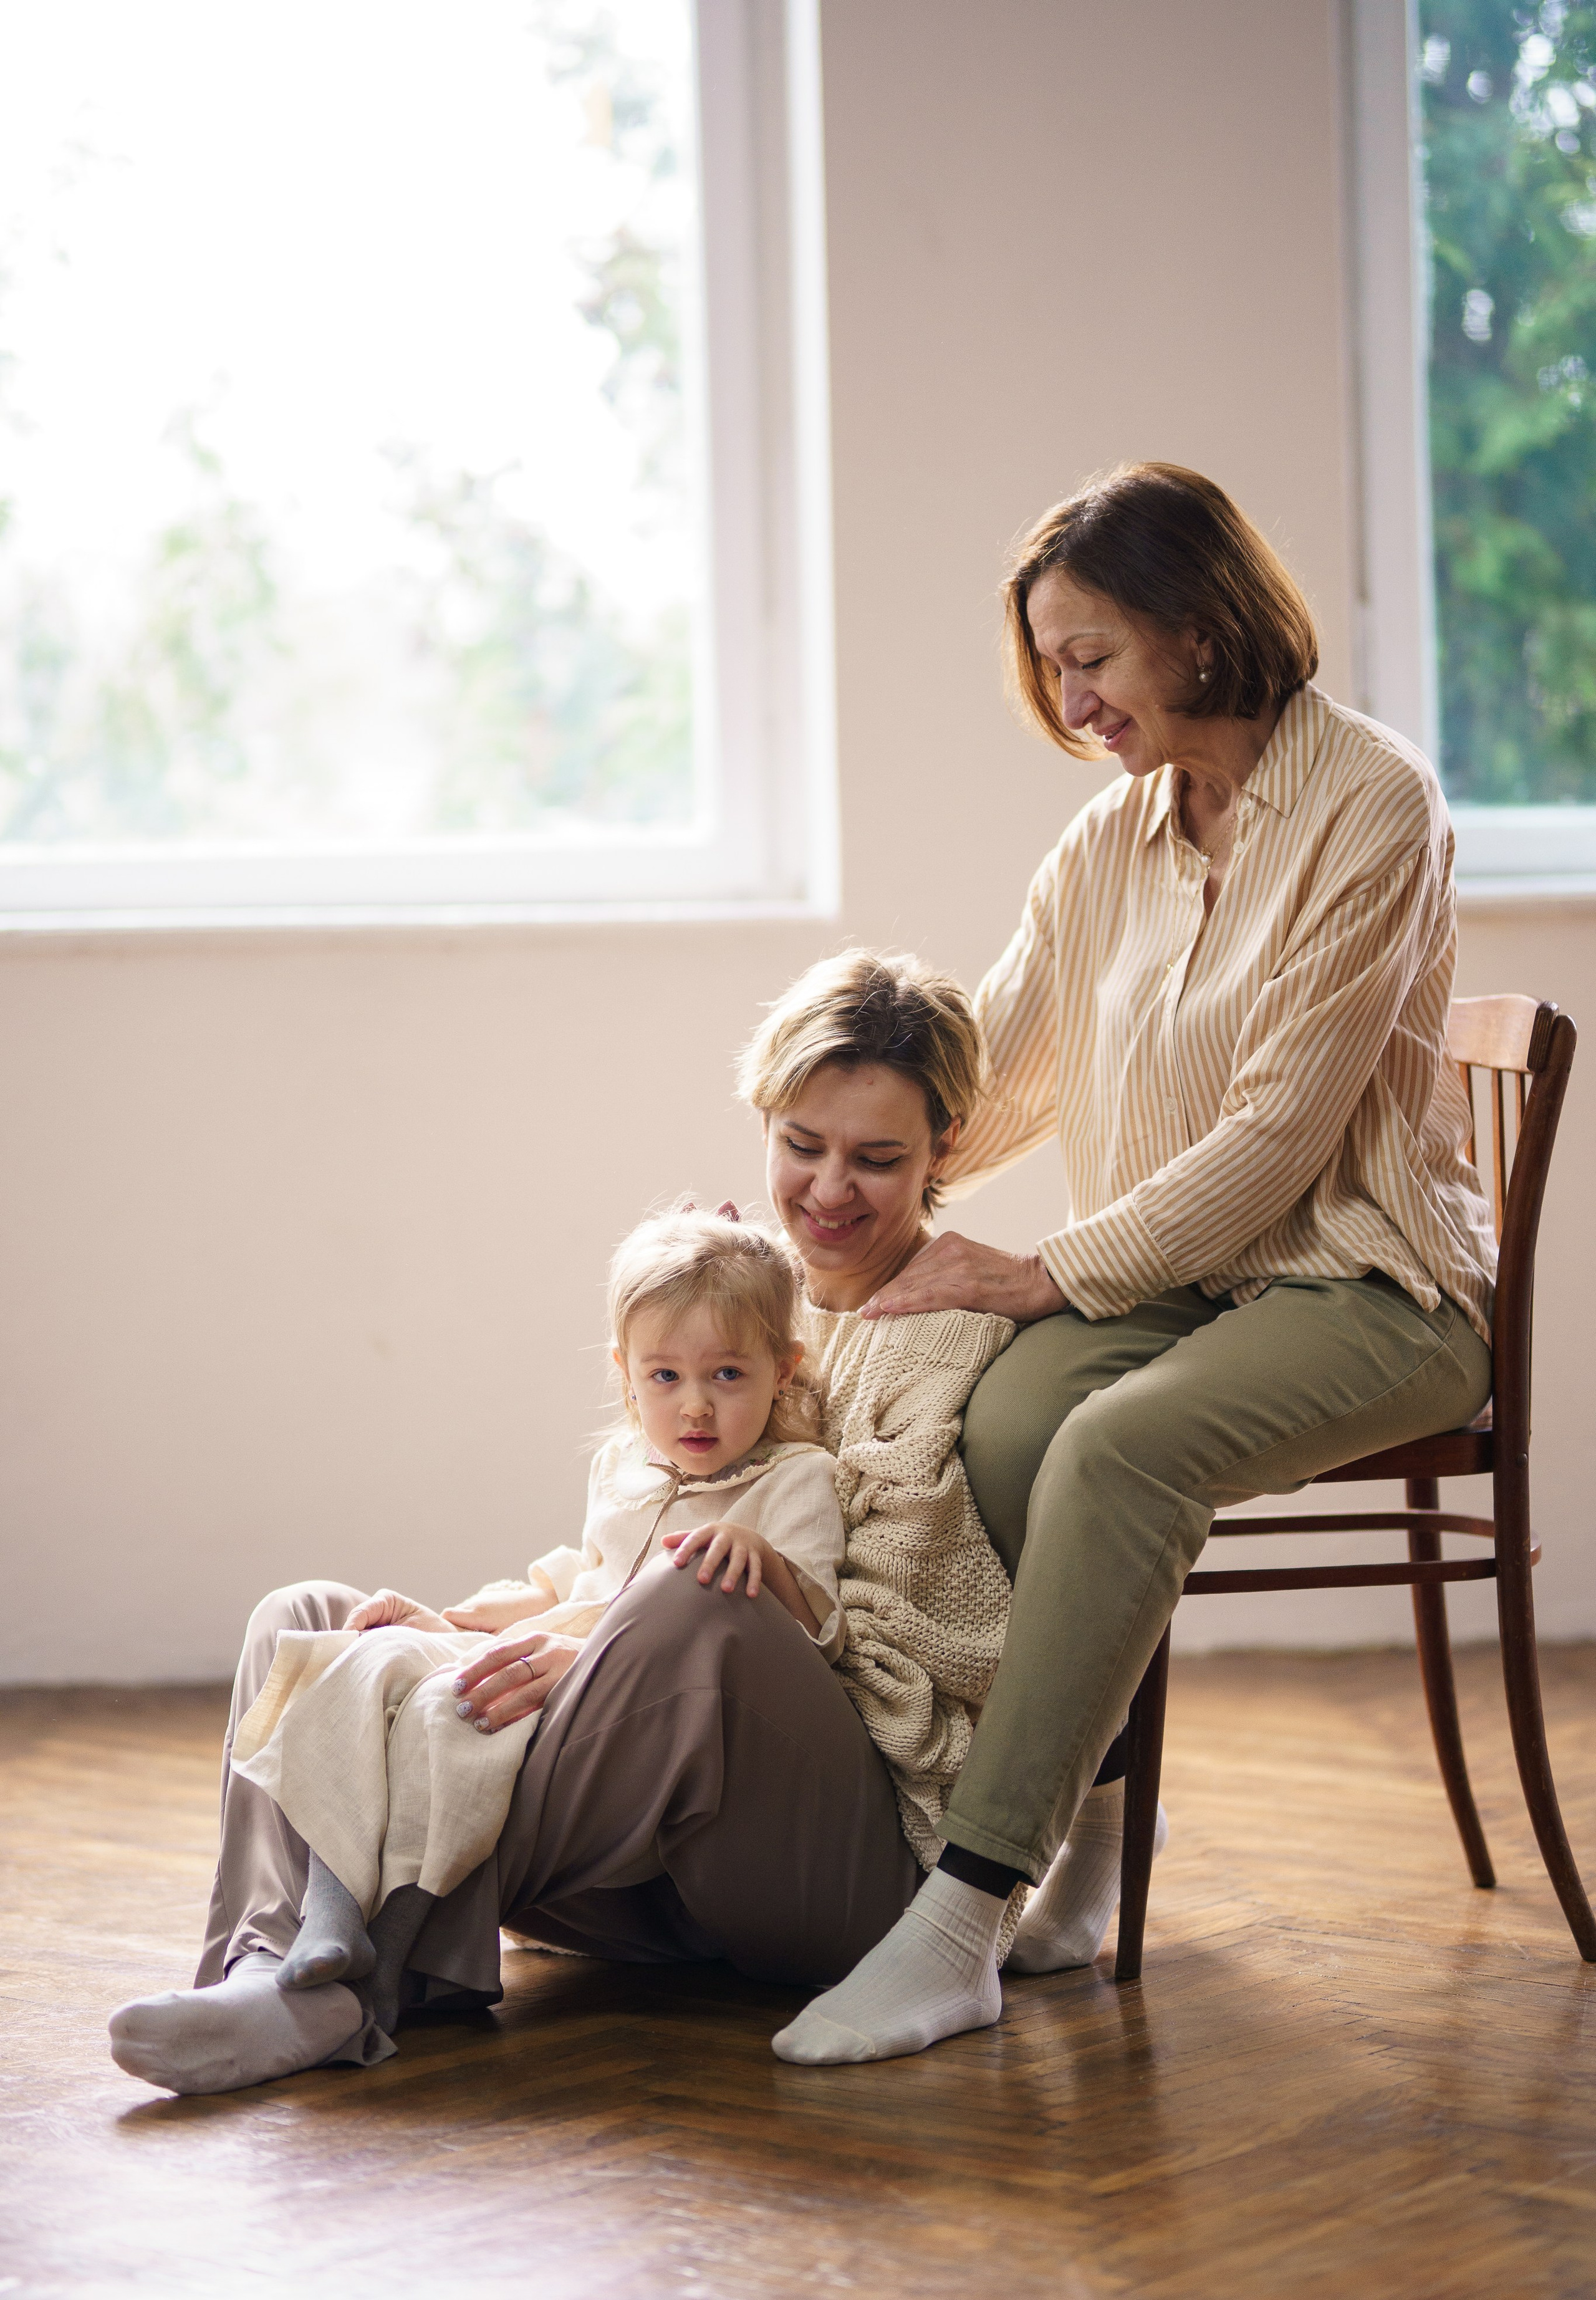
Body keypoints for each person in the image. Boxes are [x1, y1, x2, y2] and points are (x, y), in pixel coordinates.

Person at [772, 461, 1497, 2067]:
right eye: (1047, 661)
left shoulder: (1372, 806)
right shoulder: (1110, 840)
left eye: (1089, 653)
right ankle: (1093, 1850)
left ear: (1197, 625)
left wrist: (1036, 1275)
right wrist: (857, 1175)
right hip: (1188, 1279)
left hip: (1369, 1285)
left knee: (1107, 1445)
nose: (1066, 694)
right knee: (1007, 1423)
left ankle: (961, 1916)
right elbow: (1002, 1058)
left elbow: (1277, 1131)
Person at [112, 953, 1118, 2099]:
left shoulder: (953, 1334)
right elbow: (617, 1548)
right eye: (803, 1145)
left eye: (878, 1159)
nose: (830, 1190)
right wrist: (488, 1629)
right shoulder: (733, 1290)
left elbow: (908, 1659)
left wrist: (608, 1654)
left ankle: (350, 1985)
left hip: (827, 1861)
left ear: (944, 1154)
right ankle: (268, 1969)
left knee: (702, 1591)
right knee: (309, 1619)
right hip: (637, 1857)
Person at [209, 1209, 845, 2037]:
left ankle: (392, 1968)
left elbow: (818, 1633)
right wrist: (453, 1617)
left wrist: (755, 1556)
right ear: (626, 1375)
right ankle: (299, 1935)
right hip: (564, 1651)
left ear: (782, 1369)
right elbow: (577, 1580)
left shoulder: (797, 1479)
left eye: (727, 1375)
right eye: (665, 1378)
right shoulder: (623, 1467)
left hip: (623, 1704)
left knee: (447, 1711)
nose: (695, 1406)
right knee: (355, 1647)